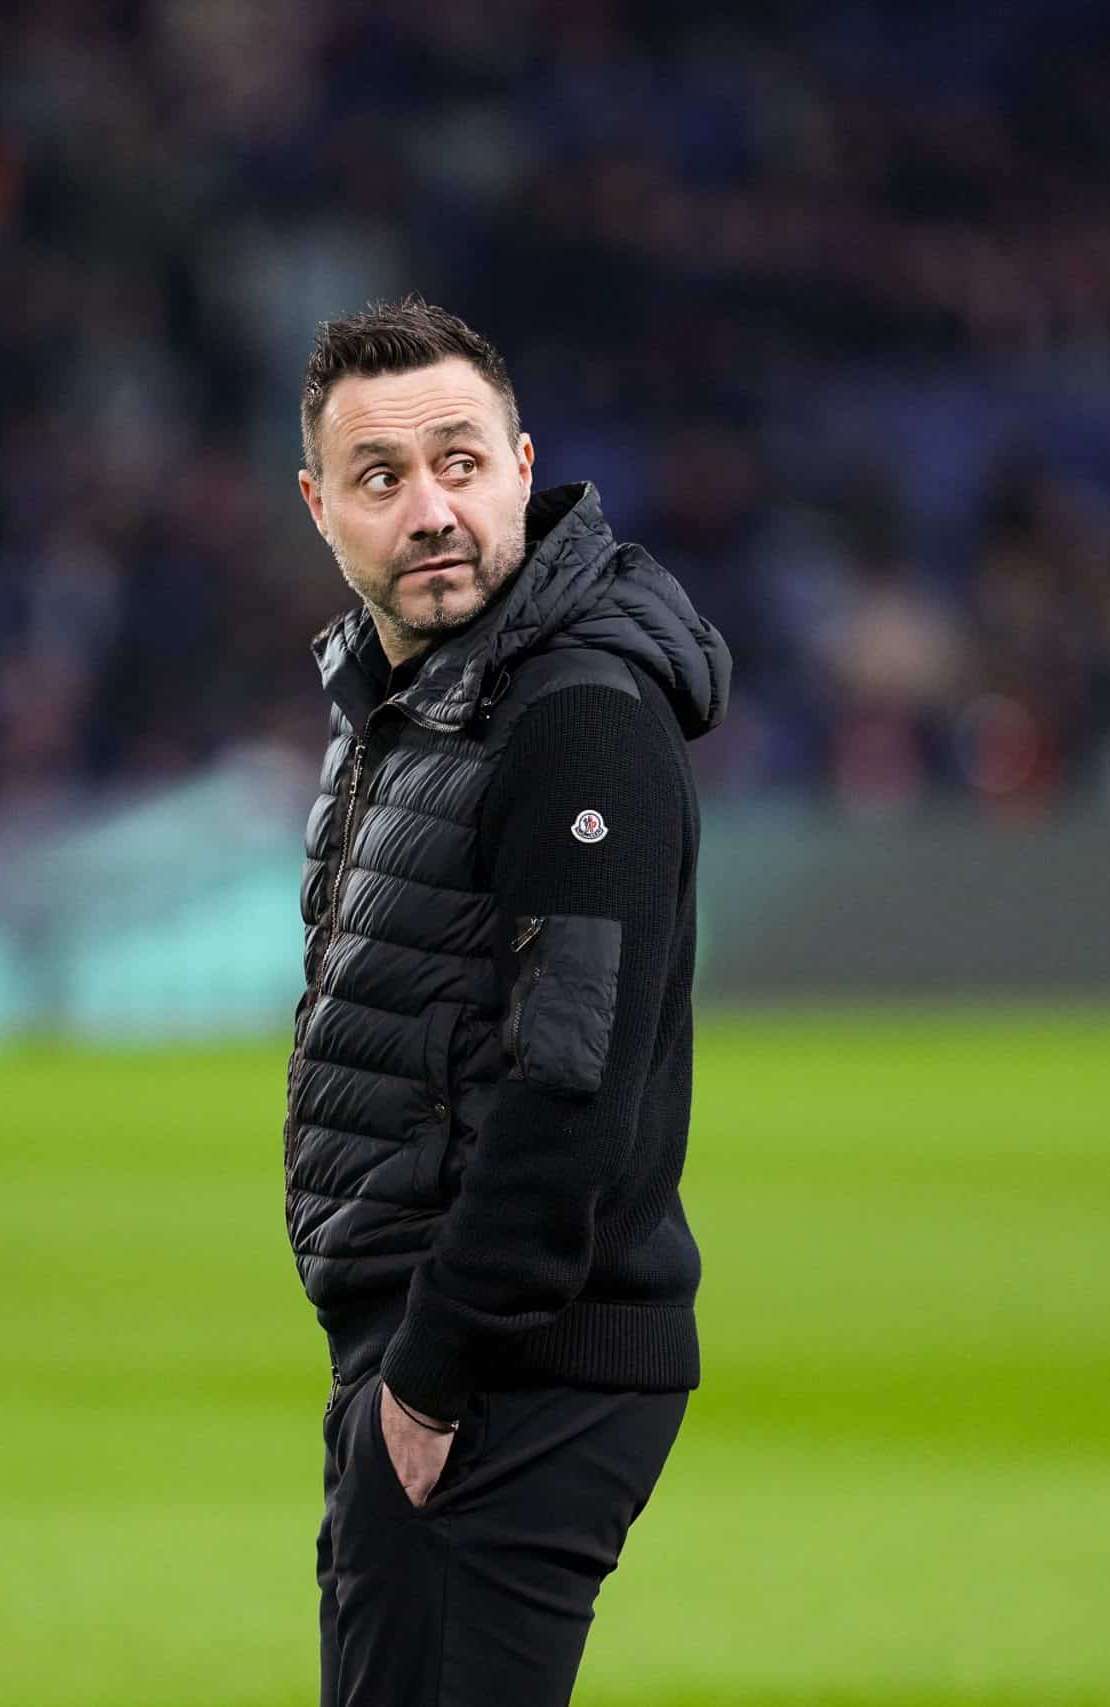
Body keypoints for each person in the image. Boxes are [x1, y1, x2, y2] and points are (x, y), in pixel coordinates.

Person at [283, 297, 733, 1704]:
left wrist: (428, 1378)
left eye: (461, 464)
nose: (431, 509)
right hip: (455, 1352)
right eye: (383, 478)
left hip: (506, 1368)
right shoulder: (424, 708)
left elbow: (567, 1090)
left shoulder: (574, 716)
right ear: (319, 508)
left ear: (525, 469)